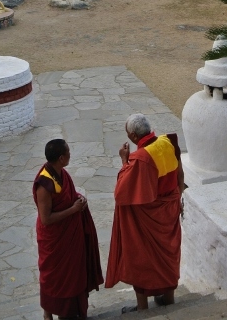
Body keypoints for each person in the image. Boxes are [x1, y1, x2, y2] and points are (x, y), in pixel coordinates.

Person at [105, 114, 185, 313]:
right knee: (168, 256)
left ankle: (142, 307)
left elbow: (122, 192)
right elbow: (180, 176)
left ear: (133, 136)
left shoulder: (141, 158)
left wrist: (125, 161)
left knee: (140, 256)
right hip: (170, 209)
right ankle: (168, 298)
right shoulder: (168, 143)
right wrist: (178, 198)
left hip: (149, 217)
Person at [33, 139, 103, 320]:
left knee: (71, 274)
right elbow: (46, 219)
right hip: (55, 239)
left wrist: (78, 199)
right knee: (53, 276)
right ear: (61, 158)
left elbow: (68, 195)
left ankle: (68, 312)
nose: (71, 155)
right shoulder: (44, 184)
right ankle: (49, 315)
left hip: (68, 235)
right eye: (69, 153)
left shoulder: (60, 173)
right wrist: (73, 209)